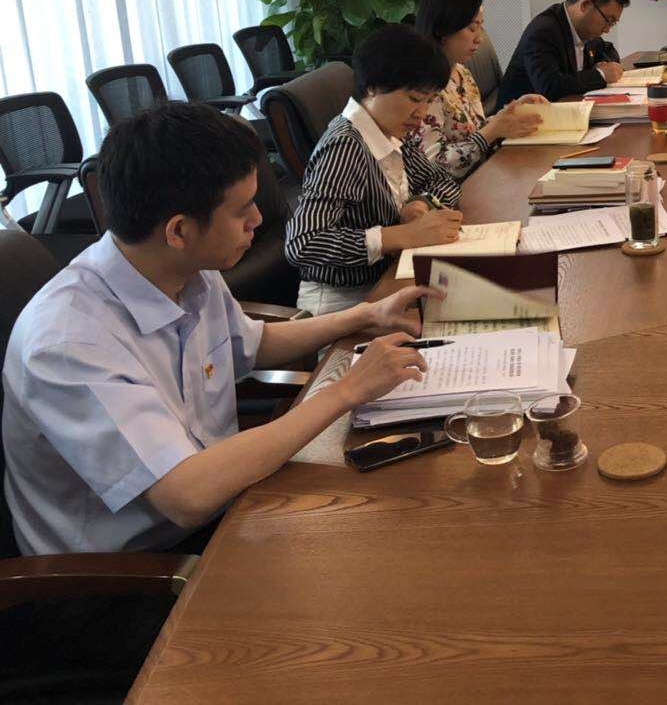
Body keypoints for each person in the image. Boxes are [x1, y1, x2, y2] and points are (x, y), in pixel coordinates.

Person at [3, 103, 437, 556]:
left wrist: (365, 316)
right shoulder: (68, 343)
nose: (259, 220)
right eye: (242, 210)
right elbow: (186, 496)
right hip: (132, 569)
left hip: (226, 501)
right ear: (178, 231)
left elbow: (253, 343)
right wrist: (346, 391)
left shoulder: (184, 268)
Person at [286, 25, 464, 315]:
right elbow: (303, 242)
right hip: (343, 304)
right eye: (414, 99)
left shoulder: (390, 131)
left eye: (429, 101)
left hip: (388, 282)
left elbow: (443, 180)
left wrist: (419, 204)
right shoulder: (345, 146)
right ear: (373, 87)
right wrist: (402, 235)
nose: (421, 114)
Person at [413, 0, 546, 180]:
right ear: (443, 30)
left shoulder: (461, 72)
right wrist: (492, 131)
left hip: (484, 174)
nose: (479, 39)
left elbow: (477, 130)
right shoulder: (423, 85)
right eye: (472, 28)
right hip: (454, 190)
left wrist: (511, 114)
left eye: (481, 28)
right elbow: (435, 165)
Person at [496, 0, 629, 105]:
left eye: (613, 23)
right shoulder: (543, 31)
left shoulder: (586, 30)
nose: (607, 30)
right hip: (521, 115)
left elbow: (608, 49)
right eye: (608, 20)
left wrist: (604, 64)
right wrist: (600, 74)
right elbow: (549, 88)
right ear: (585, 5)